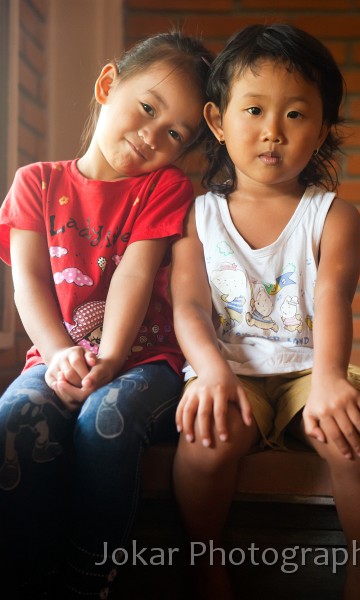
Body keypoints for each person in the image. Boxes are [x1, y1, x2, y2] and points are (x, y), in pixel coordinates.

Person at [170, 23, 360, 600]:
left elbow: (332, 299)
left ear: (323, 128)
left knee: (355, 436)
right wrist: (213, 372)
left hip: (310, 369)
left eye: (296, 115)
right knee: (207, 439)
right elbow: (190, 306)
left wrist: (328, 379)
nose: (272, 131)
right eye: (253, 110)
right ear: (217, 121)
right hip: (231, 370)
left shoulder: (333, 216)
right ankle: (206, 563)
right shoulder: (194, 216)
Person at [0, 31, 213, 599]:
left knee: (104, 421)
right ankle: (28, 577)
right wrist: (58, 353)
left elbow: (135, 276)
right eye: (147, 107)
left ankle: (91, 578)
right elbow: (30, 282)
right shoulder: (35, 183)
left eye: (174, 133)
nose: (150, 137)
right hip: (58, 353)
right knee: (15, 415)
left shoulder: (166, 188)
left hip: (148, 360)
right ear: (106, 85)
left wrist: (112, 358)